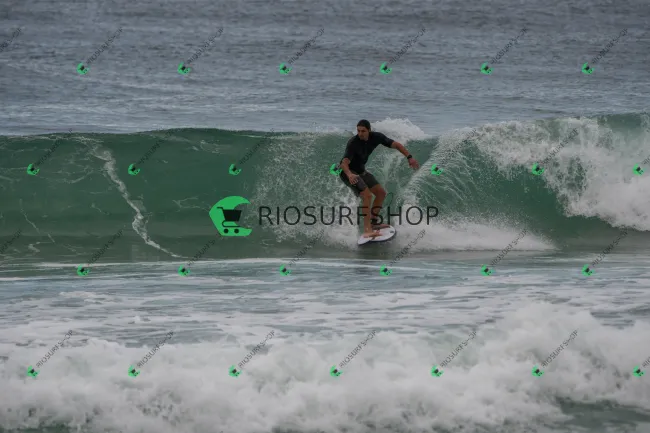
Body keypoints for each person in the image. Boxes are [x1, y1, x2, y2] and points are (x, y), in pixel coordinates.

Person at [339, 119, 420, 238]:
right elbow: (344, 163)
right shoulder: (353, 143)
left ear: (369, 130)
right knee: (367, 195)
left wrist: (409, 157)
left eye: (363, 131)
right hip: (348, 173)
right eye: (358, 131)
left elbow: (396, 145)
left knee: (381, 193)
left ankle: (373, 223)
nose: (360, 133)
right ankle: (367, 230)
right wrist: (350, 175)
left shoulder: (376, 137)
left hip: (361, 172)